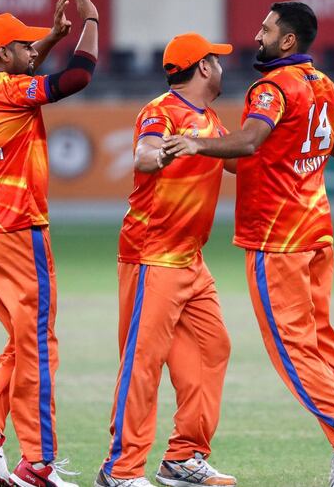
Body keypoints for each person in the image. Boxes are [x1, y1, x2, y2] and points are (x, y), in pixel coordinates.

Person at [163, 2, 334, 487]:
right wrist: (290, 152)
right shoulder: (324, 84)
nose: (256, 35)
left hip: (276, 237)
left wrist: (198, 144)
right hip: (316, 231)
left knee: (288, 347)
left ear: (287, 41)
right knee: (321, 340)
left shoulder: (271, 88)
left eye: (265, 29)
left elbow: (248, 143)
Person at [0, 0, 98, 487]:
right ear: (3, 53)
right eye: (23, 45)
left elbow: (22, 65)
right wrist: (90, 24)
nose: (30, 51)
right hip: (18, 229)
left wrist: (52, 36)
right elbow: (78, 78)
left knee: (22, 340)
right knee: (40, 345)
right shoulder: (14, 91)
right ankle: (37, 463)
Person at [94, 32, 236, 487]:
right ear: (204, 68)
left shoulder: (209, 119)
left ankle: (183, 458)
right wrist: (160, 154)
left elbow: (242, 158)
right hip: (152, 257)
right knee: (143, 363)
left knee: (213, 348)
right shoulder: (161, 111)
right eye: (217, 60)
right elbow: (144, 151)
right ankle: (121, 470)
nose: (221, 67)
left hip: (191, 261)